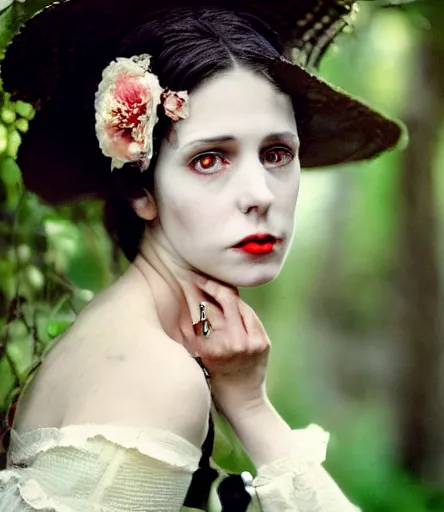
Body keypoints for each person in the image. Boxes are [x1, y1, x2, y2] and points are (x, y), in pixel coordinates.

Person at [0, 1, 404, 510]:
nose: (259, 194)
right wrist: (252, 407)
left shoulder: (152, 337)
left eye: (277, 154)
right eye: (209, 159)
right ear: (141, 192)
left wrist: (249, 403)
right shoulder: (153, 374)